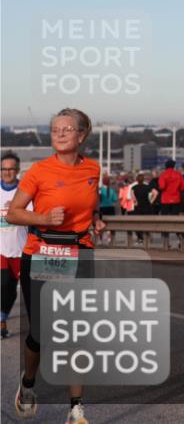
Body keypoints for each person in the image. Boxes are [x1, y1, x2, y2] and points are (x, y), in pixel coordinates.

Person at [6, 108, 104, 424]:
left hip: (79, 253)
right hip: (43, 253)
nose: (60, 134)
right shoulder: (39, 171)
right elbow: (14, 213)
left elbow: (90, 203)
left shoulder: (93, 168)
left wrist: (98, 220)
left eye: (67, 129)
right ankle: (28, 382)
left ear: (82, 135)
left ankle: (76, 408)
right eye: (55, 129)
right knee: (42, 332)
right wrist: (43, 218)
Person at [1, 151, 27, 340]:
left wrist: (18, 209)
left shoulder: (26, 192)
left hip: (22, 249)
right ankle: (1, 322)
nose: (7, 172)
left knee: (21, 290)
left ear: (17, 171)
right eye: (3, 169)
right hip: (1, 249)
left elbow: (35, 215)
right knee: (3, 285)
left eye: (11, 169)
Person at [97, 174, 118, 246]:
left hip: (102, 208)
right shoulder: (111, 190)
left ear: (103, 182)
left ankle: (100, 239)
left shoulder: (100, 190)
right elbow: (115, 199)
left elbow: (97, 199)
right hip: (110, 209)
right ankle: (109, 239)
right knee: (110, 224)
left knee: (100, 224)